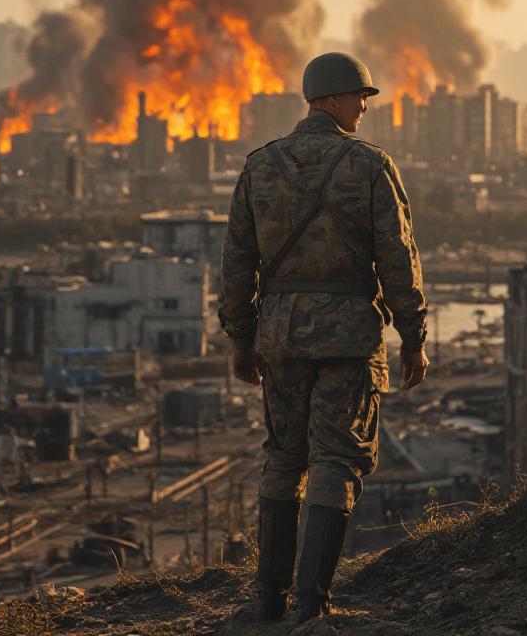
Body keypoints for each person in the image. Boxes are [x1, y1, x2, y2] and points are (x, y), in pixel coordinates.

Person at [219, 51, 429, 625]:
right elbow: (398, 259)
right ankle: (312, 606)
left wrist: (241, 338)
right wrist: (413, 336)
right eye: (361, 95)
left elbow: (237, 263)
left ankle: (266, 602)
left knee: (284, 459)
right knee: (336, 460)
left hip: (280, 336)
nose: (365, 104)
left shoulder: (260, 165)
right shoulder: (369, 165)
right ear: (334, 98)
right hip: (348, 336)